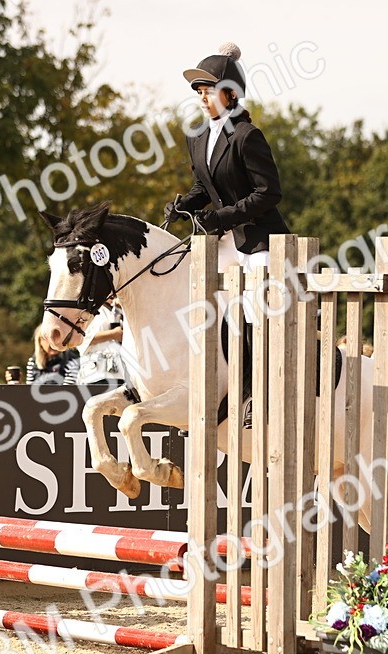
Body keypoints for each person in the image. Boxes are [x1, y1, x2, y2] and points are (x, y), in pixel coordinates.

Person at [164, 42, 290, 427]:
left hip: (258, 241)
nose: (203, 98)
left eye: (209, 90)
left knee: (252, 312)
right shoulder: (198, 136)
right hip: (224, 241)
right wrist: (185, 204)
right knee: (201, 304)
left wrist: (223, 217)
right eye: (199, 92)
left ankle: (255, 392)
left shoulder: (248, 135)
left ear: (230, 94)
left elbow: (269, 193)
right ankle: (214, 385)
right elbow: (205, 186)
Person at [77, 298, 127, 388]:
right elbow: (81, 339)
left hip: (121, 374)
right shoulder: (88, 311)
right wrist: (113, 334)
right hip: (96, 374)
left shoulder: (119, 309)